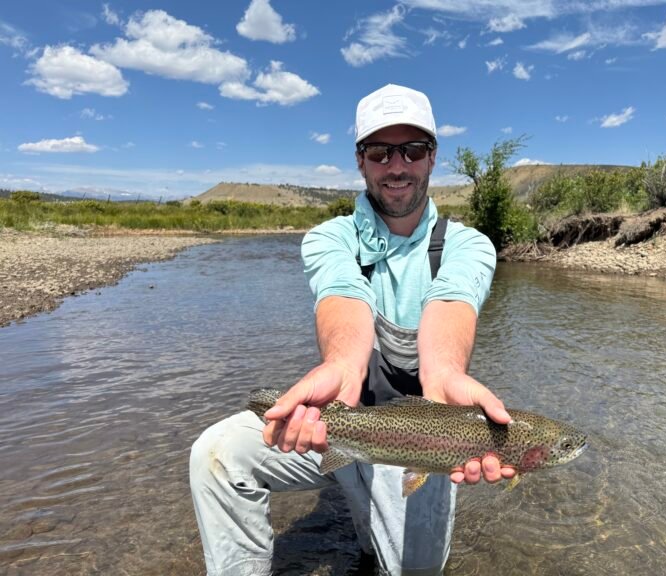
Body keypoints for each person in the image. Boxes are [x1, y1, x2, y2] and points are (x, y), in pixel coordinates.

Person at [189, 83, 517, 576]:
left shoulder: (469, 245)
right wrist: (342, 366)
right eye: (381, 152)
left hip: (422, 445)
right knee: (216, 456)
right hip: (335, 424)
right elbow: (344, 298)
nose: (397, 166)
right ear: (361, 161)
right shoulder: (330, 238)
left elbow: (451, 304)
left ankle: (373, 538)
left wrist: (445, 372)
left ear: (432, 159)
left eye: (412, 150)